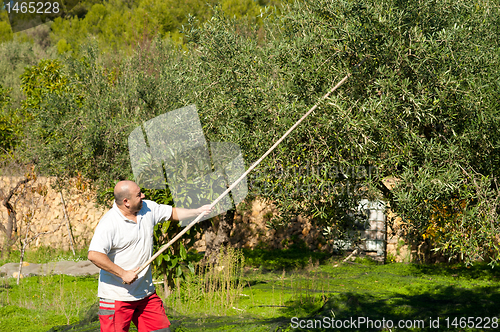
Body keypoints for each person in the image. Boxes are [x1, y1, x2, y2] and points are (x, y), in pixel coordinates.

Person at [88, 180, 211, 332]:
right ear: (126, 202)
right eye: (139, 194)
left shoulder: (147, 208)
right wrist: (123, 273)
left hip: (145, 294)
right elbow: (94, 255)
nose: (143, 196)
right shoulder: (110, 223)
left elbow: (173, 213)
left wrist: (198, 212)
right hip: (117, 297)